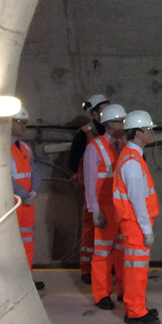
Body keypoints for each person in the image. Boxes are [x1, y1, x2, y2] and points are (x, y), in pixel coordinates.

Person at [113, 110, 161, 324]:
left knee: (137, 270)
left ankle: (138, 307)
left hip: (135, 223)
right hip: (136, 225)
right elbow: (137, 200)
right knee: (136, 271)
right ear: (138, 132)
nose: (152, 132)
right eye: (149, 129)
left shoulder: (132, 157)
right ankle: (135, 312)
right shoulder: (132, 162)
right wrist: (146, 229)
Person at [85, 104, 127, 310]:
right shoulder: (95, 147)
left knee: (122, 251)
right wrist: (95, 210)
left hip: (121, 208)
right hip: (105, 208)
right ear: (109, 124)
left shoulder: (124, 145)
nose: (124, 125)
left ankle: (124, 291)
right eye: (120, 121)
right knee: (102, 252)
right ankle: (102, 294)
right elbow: (90, 180)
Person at [68, 94, 110, 284]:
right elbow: (73, 161)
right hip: (92, 190)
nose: (106, 112)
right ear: (93, 113)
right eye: (102, 109)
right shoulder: (84, 133)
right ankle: (87, 269)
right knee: (91, 228)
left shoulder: (115, 132)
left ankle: (108, 266)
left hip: (111, 190)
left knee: (110, 228)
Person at [10, 107, 43, 290]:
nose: (23, 126)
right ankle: (15, 282)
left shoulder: (26, 148)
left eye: (25, 123)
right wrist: (25, 194)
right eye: (19, 122)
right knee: (13, 243)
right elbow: (6, 176)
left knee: (28, 242)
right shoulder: (2, 149)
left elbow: (34, 171)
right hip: (14, 204)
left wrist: (34, 192)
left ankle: (27, 279)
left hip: (27, 203)